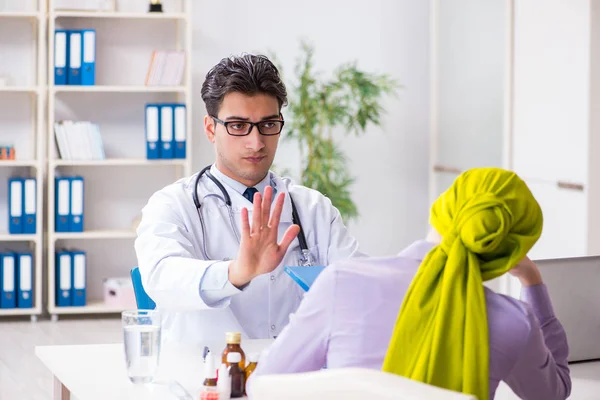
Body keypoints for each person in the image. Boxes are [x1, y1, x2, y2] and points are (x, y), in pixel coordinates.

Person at [249, 168, 571, 400]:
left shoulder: (341, 283)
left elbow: (267, 384)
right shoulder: (514, 322)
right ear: (511, 250)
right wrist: (532, 278)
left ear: (440, 210)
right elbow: (554, 393)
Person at [134, 53, 363, 345]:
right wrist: (235, 272)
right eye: (238, 126)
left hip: (293, 376)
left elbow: (358, 284)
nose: (256, 143)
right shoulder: (173, 204)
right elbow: (162, 278)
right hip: (207, 377)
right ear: (210, 129)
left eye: (268, 125)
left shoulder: (312, 208)